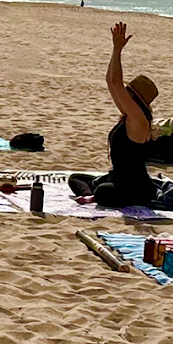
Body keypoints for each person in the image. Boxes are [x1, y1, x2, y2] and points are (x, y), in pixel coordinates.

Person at [67, 22, 158, 207]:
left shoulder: (140, 121)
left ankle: (95, 195)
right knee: (75, 179)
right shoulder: (128, 114)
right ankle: (89, 196)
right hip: (116, 177)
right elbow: (111, 82)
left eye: (127, 93)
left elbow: (117, 82)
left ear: (135, 98)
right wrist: (114, 49)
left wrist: (118, 49)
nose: (123, 94)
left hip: (135, 186)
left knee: (103, 191)